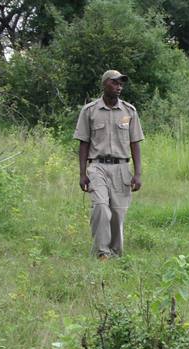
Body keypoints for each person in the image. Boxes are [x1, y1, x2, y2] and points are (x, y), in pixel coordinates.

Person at [74, 69, 144, 260]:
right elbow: (83, 143)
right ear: (104, 84)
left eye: (121, 84)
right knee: (101, 207)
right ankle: (102, 252)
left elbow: (135, 143)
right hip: (97, 167)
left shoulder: (129, 111)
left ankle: (115, 253)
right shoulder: (89, 111)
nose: (118, 87)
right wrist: (82, 174)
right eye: (114, 83)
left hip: (122, 167)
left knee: (118, 213)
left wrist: (138, 174)